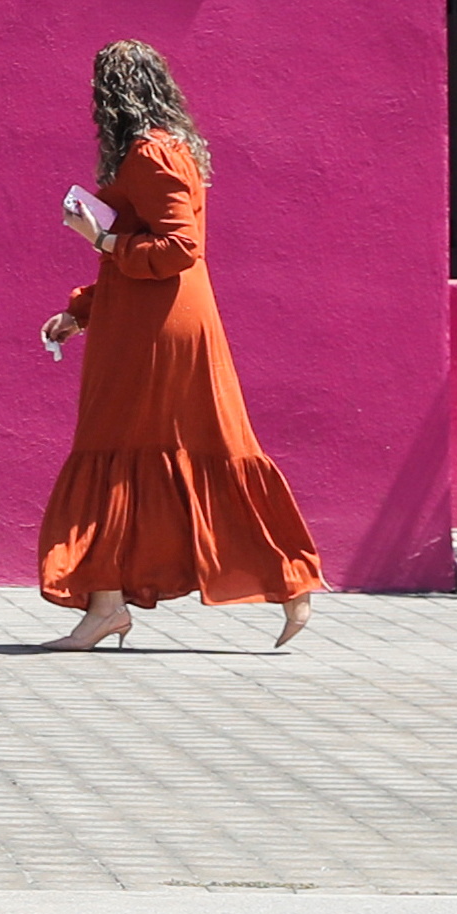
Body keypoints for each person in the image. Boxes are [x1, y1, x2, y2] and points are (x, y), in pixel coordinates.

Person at [36, 40, 322, 652]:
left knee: (117, 451)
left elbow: (179, 248)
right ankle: (108, 607)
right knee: (131, 453)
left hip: (156, 331)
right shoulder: (165, 149)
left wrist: (99, 240)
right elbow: (141, 247)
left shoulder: (151, 153)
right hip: (142, 319)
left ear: (113, 96)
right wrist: (81, 312)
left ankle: (287, 583)